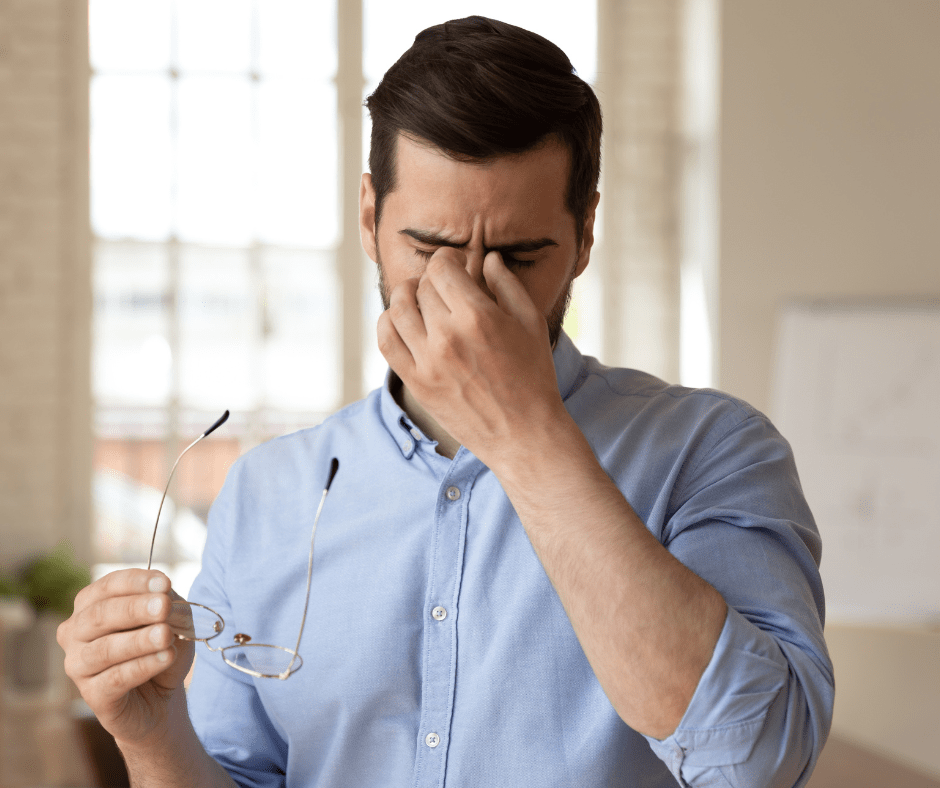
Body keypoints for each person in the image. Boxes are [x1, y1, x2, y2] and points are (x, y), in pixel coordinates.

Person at [57, 16, 834, 788]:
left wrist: (526, 432)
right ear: (370, 219)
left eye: (519, 257)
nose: (462, 292)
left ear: (586, 231)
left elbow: (753, 762)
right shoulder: (267, 494)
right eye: (426, 249)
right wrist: (154, 740)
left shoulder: (712, 451)